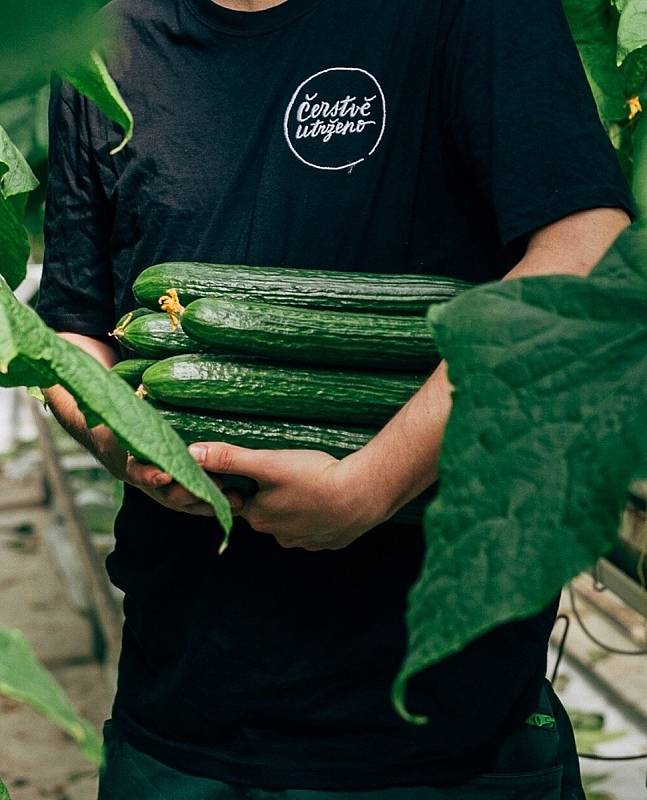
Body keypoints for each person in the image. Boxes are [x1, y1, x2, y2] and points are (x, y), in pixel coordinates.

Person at [38, 0, 634, 797]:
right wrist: (121, 434)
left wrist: (376, 481)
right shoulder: (99, 37)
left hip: (451, 729)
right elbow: (69, 331)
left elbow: (584, 245)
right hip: (181, 707)